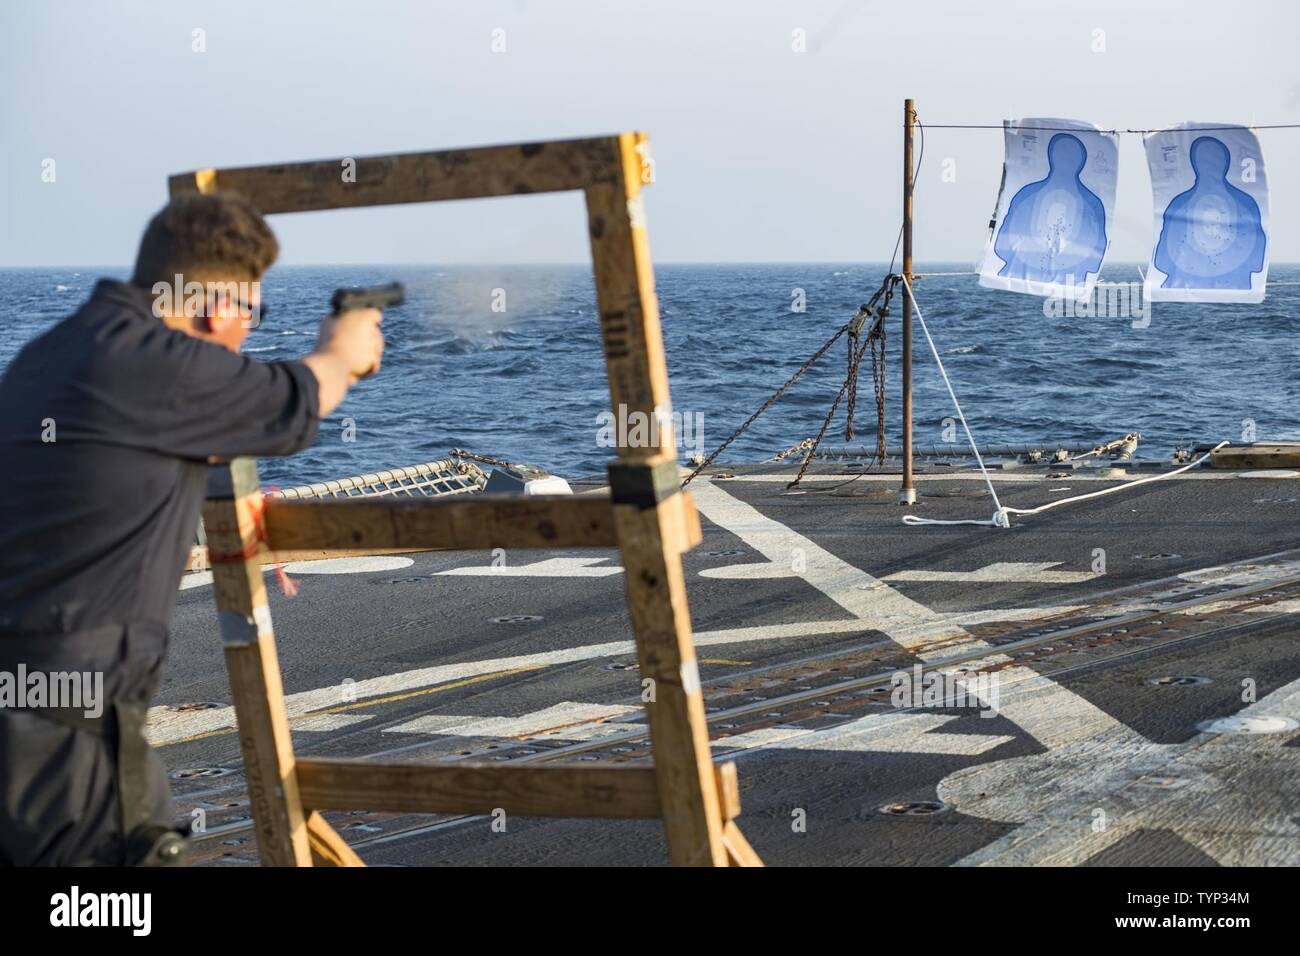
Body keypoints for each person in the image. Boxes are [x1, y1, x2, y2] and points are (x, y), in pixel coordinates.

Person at [0, 192, 386, 865]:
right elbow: (306, 394)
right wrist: (346, 347)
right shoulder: (160, 364)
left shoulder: (48, 355)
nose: (245, 338)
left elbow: (119, 456)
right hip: (70, 758)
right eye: (250, 315)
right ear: (215, 308)